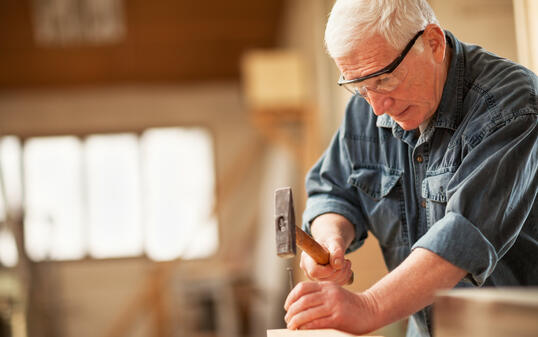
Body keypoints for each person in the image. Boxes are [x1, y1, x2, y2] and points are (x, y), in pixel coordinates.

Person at [282, 1, 538, 336]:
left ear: (432, 42)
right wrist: (330, 239)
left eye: (385, 80)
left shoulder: (511, 107)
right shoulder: (370, 104)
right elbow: (332, 190)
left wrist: (369, 306)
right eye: (359, 87)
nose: (377, 108)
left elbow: (463, 238)